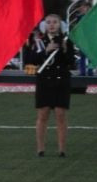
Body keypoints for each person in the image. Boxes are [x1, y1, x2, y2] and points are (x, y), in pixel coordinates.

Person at [26, 14, 75, 157]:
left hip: (61, 81)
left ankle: (62, 149)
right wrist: (45, 51)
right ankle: (40, 148)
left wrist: (65, 50)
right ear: (44, 25)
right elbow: (31, 60)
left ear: (60, 25)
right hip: (44, 81)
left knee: (60, 114)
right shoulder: (39, 41)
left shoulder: (66, 41)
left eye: (55, 22)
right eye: (48, 22)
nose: (52, 25)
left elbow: (71, 62)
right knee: (43, 114)